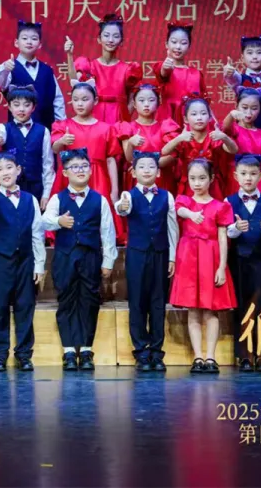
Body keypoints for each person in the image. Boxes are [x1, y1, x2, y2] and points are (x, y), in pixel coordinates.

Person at [44, 149, 117, 371]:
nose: (80, 170)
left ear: (91, 170)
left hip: (90, 256)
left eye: (84, 166)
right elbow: (43, 222)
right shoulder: (58, 198)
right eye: (74, 167)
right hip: (65, 256)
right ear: (65, 172)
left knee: (89, 301)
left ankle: (86, 349)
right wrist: (58, 221)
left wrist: (108, 261)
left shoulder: (99, 200)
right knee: (66, 301)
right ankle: (68, 350)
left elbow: (108, 232)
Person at [0, 151, 47, 372]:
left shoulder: (30, 199)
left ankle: (24, 354)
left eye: (9, 167)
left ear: (18, 170)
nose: (5, 173)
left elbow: (37, 233)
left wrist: (39, 264)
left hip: (25, 260)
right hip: (0, 260)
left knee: (25, 306)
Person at [170, 159, 236, 375]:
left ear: (211, 179)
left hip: (211, 257)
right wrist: (191, 214)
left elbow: (223, 237)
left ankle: (211, 356)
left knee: (211, 310)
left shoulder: (220, 206)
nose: (197, 183)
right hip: (189, 258)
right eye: (192, 178)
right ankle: (198, 356)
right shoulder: (184, 202)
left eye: (201, 178)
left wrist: (222, 266)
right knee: (193, 310)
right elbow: (180, 211)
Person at [113, 150, 175, 372]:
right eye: (142, 167)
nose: (146, 170)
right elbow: (122, 209)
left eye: (151, 167)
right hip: (137, 255)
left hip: (160, 253)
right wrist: (121, 206)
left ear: (158, 172)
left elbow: (172, 228)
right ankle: (141, 351)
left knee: (158, 303)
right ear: (133, 172)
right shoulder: (128, 196)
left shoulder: (167, 196)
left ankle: (157, 352)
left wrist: (172, 257)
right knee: (137, 302)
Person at [224, 155, 261, 372]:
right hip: (239, 260)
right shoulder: (229, 202)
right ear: (235, 176)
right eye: (244, 174)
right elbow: (225, 231)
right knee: (242, 307)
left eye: (253, 174)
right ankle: (244, 356)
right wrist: (236, 229)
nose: (248, 178)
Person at [50, 82, 120, 226]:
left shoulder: (106, 129)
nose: (80, 104)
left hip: (98, 178)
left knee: (99, 216)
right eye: (75, 99)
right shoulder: (63, 126)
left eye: (85, 99)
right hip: (70, 176)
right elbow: (55, 149)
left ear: (95, 100)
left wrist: (115, 189)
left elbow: (110, 160)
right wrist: (62, 141)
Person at [64, 13, 142, 124]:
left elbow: (132, 99)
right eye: (106, 35)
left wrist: (124, 118)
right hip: (94, 118)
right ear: (99, 39)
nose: (110, 40)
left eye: (116, 36)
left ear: (121, 41)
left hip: (119, 121)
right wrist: (69, 55)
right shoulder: (89, 66)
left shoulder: (128, 69)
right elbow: (74, 81)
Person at [0, 85, 54, 210]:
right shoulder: (4, 128)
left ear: (33, 107)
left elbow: (48, 164)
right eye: (16, 105)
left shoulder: (43, 131)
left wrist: (46, 194)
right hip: (10, 186)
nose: (21, 109)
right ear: (9, 107)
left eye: (26, 105)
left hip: (36, 187)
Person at [0, 20, 66, 130]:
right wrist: (5, 70)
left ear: (40, 44)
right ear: (16, 42)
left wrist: (61, 127)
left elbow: (57, 100)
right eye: (25, 38)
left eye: (34, 39)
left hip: (45, 129)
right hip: (17, 131)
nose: (29, 42)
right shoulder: (8, 66)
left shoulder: (47, 70)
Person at [161, 96, 238, 199]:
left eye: (203, 113)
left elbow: (234, 150)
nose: (199, 118)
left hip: (212, 187)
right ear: (185, 119)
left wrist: (224, 137)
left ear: (210, 117)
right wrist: (179, 138)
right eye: (194, 114)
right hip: (189, 186)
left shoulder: (214, 136)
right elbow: (164, 151)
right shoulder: (183, 138)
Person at [116, 83, 179, 194]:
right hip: (138, 178)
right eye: (141, 100)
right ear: (134, 104)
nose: (146, 104)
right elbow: (129, 158)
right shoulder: (128, 127)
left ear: (158, 103)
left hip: (161, 177)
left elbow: (173, 157)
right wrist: (130, 143)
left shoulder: (166, 126)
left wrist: (149, 167)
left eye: (151, 100)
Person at [153, 23, 205, 125]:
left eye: (183, 43)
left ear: (189, 46)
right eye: (174, 42)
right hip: (168, 122)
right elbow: (163, 74)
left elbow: (204, 102)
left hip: (192, 123)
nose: (178, 47)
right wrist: (165, 67)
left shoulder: (196, 74)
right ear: (166, 44)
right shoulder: (163, 67)